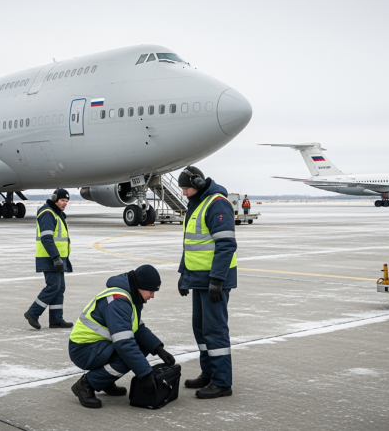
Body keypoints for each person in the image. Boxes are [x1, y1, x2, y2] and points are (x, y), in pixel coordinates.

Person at [68, 265, 176, 408]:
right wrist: (145, 373)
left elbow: (138, 329)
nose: (152, 296)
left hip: (98, 346)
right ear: (140, 287)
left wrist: (158, 348)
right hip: (84, 350)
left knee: (140, 348)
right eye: (151, 291)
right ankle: (86, 384)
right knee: (128, 356)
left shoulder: (131, 297)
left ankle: (103, 380)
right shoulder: (119, 302)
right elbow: (124, 344)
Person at [176, 165, 237, 399]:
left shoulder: (217, 203)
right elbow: (191, 245)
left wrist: (217, 280)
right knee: (201, 328)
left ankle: (222, 382)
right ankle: (209, 373)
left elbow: (226, 245)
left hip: (214, 280)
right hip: (198, 278)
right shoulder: (197, 204)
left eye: (186, 188)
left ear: (199, 185)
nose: (184, 193)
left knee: (215, 329)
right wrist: (184, 274)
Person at [24, 188, 74, 329]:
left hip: (57, 257)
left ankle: (56, 319)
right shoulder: (47, 213)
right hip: (50, 257)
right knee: (53, 286)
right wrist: (56, 257)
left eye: (67, 201)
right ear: (55, 199)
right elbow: (47, 238)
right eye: (62, 200)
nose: (65, 203)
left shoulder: (57, 214)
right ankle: (33, 313)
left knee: (59, 288)